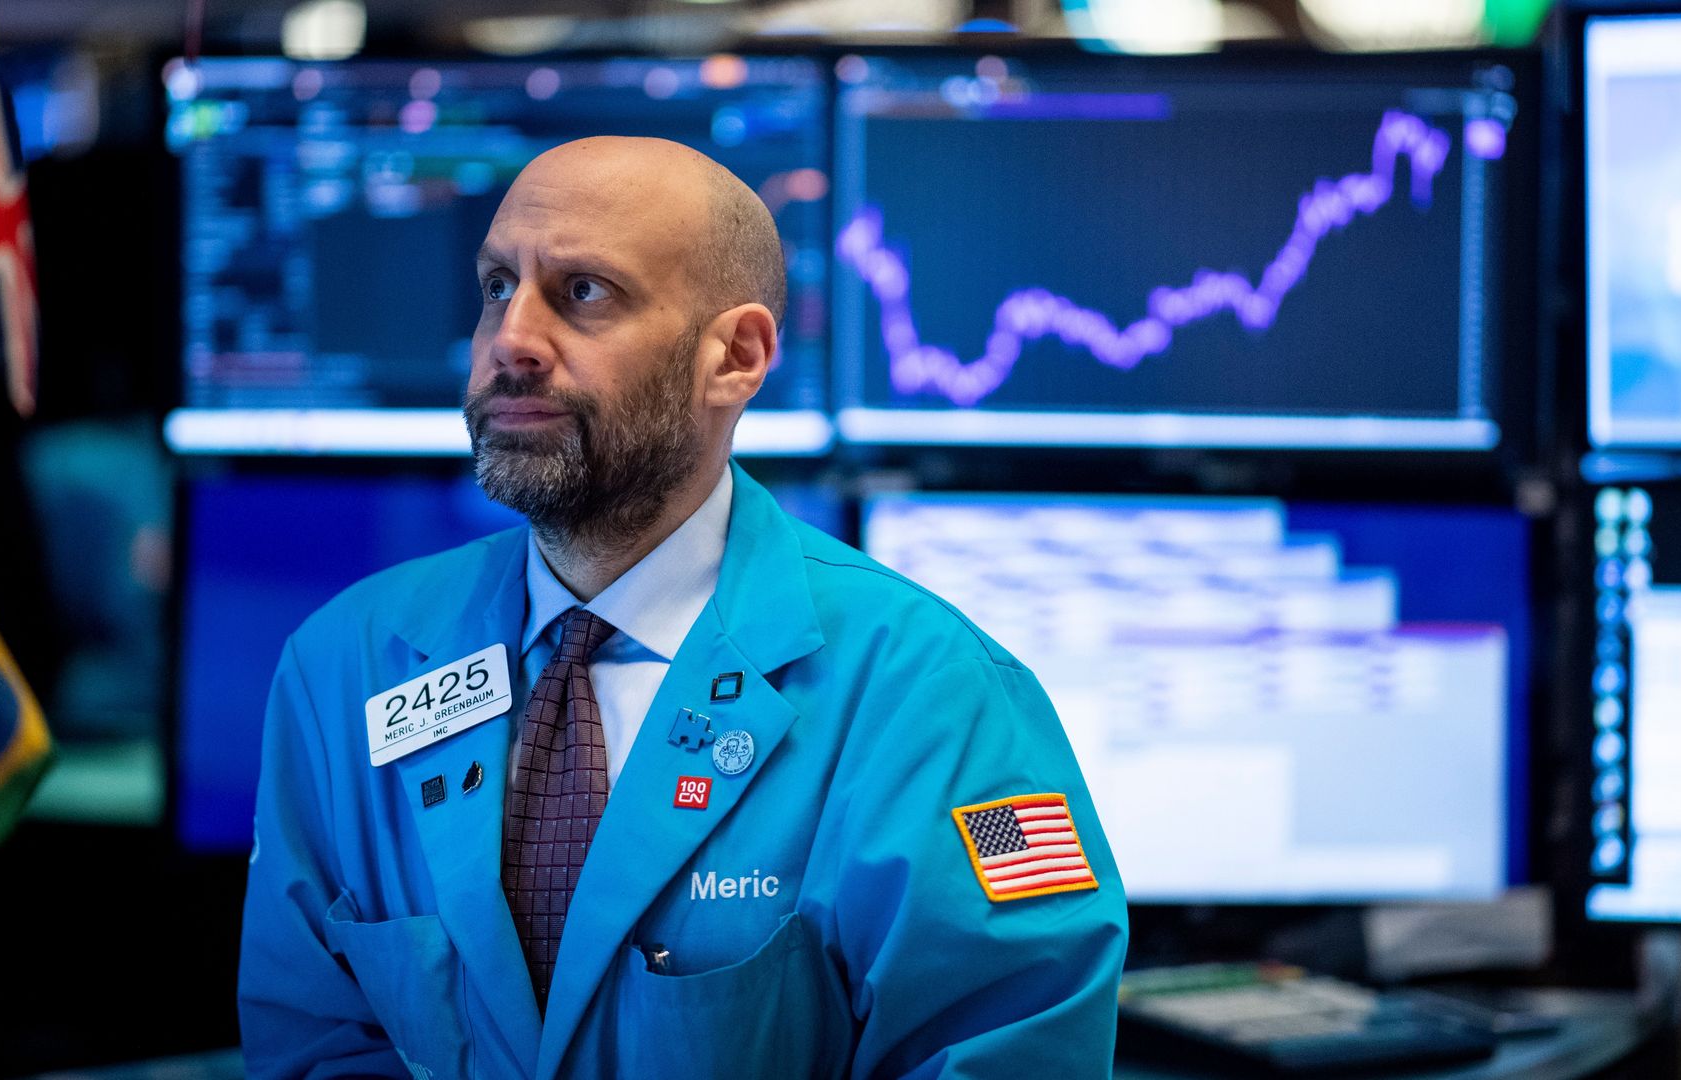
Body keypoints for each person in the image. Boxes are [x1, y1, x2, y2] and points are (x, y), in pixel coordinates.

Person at [238, 136, 1129, 1080]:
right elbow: (316, 1045)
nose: (512, 341)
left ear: (735, 358)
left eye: (584, 293)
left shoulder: (933, 697)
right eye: (499, 286)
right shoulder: (346, 664)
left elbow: (1006, 1051)